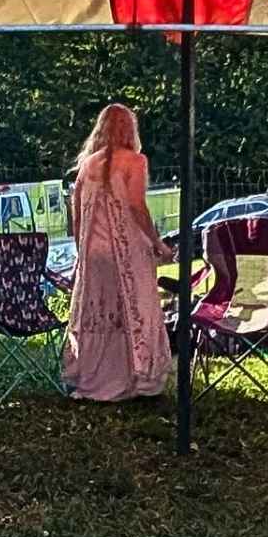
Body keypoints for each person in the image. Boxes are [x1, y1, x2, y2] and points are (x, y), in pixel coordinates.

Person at [63, 103, 172, 401]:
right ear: (130, 129)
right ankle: (135, 377)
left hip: (93, 253)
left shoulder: (88, 165)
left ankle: (95, 376)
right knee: (134, 308)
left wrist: (81, 251)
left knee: (99, 313)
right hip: (125, 251)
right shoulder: (135, 161)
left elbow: (76, 214)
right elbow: (137, 207)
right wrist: (157, 243)